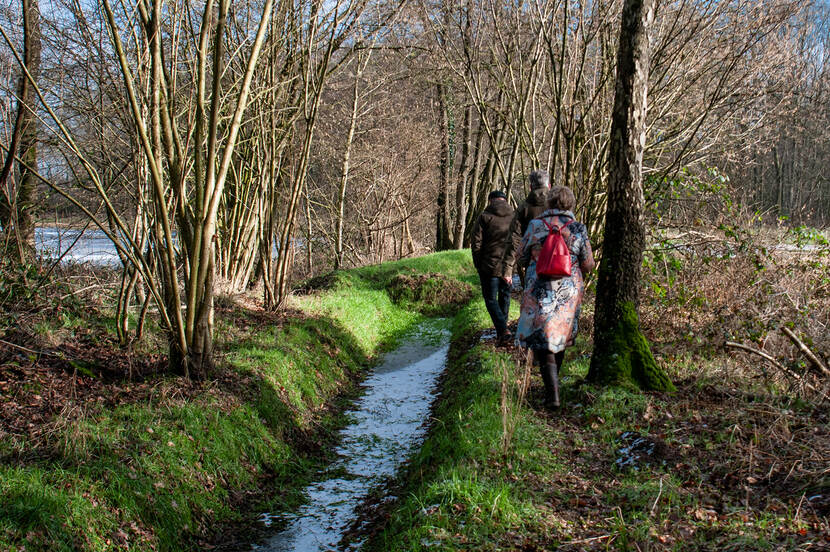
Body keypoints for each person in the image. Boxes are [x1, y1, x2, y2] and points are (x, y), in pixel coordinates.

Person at [515, 185, 595, 408]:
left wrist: (536, 255)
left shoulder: (535, 225)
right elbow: (588, 265)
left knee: (543, 341)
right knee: (558, 339)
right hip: (568, 292)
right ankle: (553, 391)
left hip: (539, 288)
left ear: (548, 203)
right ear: (570, 204)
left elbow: (520, 258)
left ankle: (553, 394)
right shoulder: (578, 228)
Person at [471, 190, 515, 344]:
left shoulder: (484, 217)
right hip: (508, 265)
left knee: (490, 299)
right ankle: (503, 330)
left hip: (489, 266)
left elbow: (476, 243)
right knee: (505, 296)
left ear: (491, 201)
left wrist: (478, 264)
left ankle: (503, 330)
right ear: (504, 200)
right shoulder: (514, 217)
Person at [502, 170, 551, 288]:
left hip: (533, 263)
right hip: (558, 262)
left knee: (534, 301)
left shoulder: (523, 208)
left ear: (530, 187)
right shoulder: (559, 205)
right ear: (549, 186)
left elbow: (514, 238)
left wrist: (508, 269)